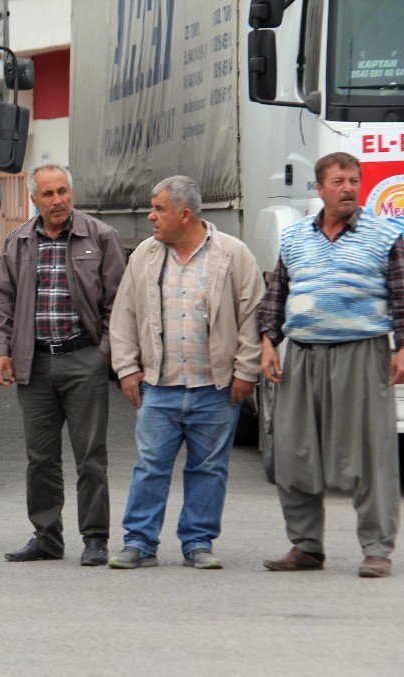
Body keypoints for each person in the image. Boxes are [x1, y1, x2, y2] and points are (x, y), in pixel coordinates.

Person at [258, 152, 404, 579]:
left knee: (370, 455)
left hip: (362, 353)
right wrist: (267, 343)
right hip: (304, 354)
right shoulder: (294, 238)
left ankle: (377, 549)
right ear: (319, 189)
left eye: (354, 180)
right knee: (293, 453)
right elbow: (277, 295)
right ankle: (306, 546)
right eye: (338, 181)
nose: (348, 188)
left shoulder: (384, 235)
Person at [107, 175, 264, 570]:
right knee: (149, 466)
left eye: (158, 209)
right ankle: (139, 542)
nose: (150, 217)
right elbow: (123, 316)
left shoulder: (233, 254)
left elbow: (253, 316)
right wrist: (127, 369)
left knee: (209, 468)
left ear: (185, 214)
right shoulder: (145, 254)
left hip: (215, 387)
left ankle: (198, 542)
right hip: (159, 386)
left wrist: (246, 370)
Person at [0, 163, 126, 566]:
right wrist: (3, 350)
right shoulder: (18, 242)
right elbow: (7, 304)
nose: (58, 201)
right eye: (48, 194)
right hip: (34, 364)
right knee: (40, 458)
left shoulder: (101, 237)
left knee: (90, 456)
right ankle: (47, 537)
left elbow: (118, 304)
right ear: (33, 199)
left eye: (63, 191)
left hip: (82, 359)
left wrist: (101, 354)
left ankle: (95, 538)